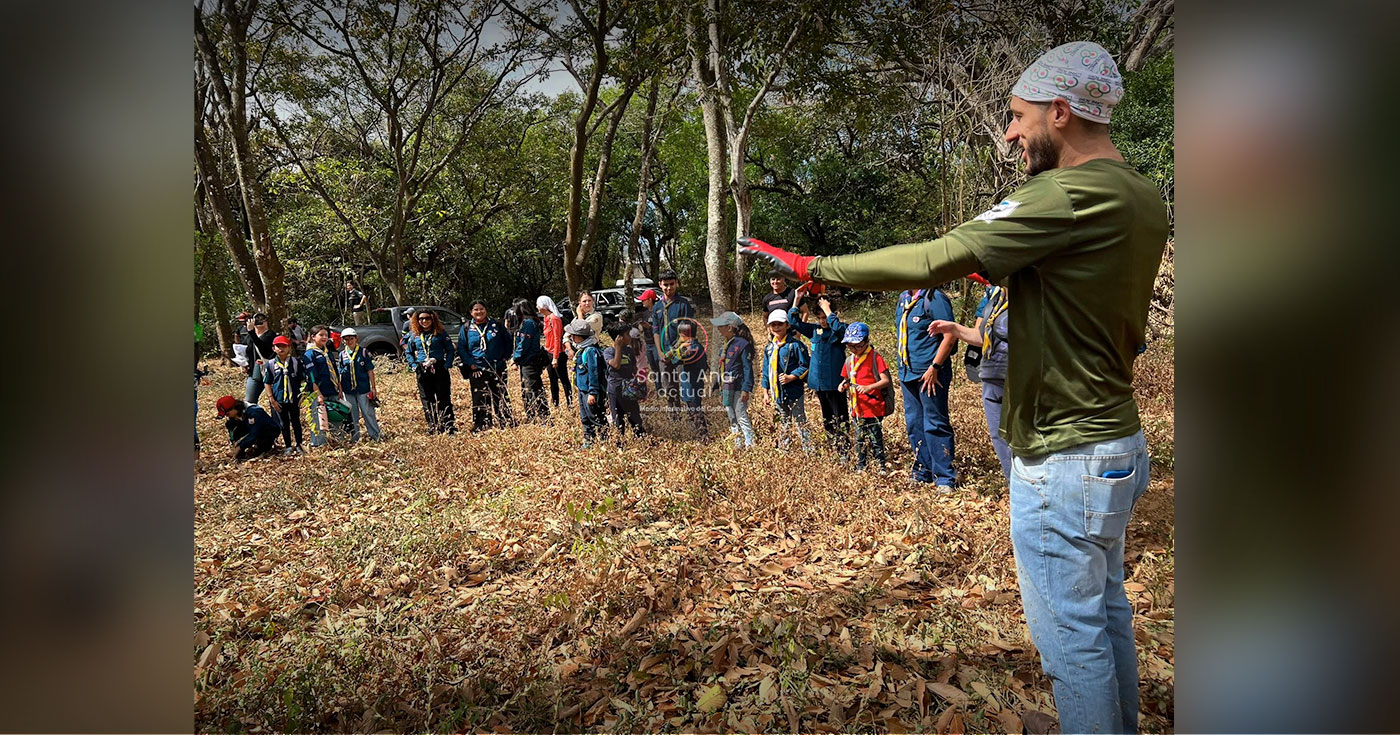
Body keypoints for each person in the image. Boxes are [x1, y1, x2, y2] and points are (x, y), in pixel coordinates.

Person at [739, 41, 1165, 734]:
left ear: (1061, 111)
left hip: (1063, 455)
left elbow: (936, 254)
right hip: (1116, 442)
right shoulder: (1141, 195)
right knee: (1105, 613)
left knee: (1071, 643)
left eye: (1018, 116)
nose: (1010, 133)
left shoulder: (1063, 193)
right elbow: (1088, 294)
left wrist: (818, 265)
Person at [930, 283, 1012, 482]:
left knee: (1023, 441)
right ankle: (1015, 488)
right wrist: (954, 328)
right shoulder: (995, 298)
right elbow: (982, 336)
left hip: (1019, 379)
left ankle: (1033, 493)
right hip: (992, 378)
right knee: (999, 438)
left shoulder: (1033, 295)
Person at [892, 286, 958, 491]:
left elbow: (950, 335)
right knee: (914, 423)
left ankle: (944, 477)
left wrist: (935, 367)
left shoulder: (934, 298)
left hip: (930, 373)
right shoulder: (904, 297)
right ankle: (923, 470)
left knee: (935, 423)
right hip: (908, 372)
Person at [789, 290, 850, 458]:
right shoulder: (815, 330)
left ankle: (844, 451)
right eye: (820, 318)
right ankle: (833, 449)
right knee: (827, 418)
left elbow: (842, 332)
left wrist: (829, 310)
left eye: (825, 317)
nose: (823, 321)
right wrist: (797, 299)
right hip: (819, 383)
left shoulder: (840, 329)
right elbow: (793, 321)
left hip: (836, 383)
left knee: (841, 417)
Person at [838, 322, 893, 471]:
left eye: (858, 345)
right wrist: (843, 385)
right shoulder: (849, 360)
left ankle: (881, 465)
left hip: (873, 406)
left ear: (867, 341)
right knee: (859, 438)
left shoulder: (875, 357)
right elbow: (847, 378)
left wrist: (869, 387)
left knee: (875, 437)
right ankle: (862, 466)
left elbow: (886, 380)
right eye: (851, 346)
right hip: (857, 407)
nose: (855, 349)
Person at [457, 301, 514, 432]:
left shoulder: (497, 325)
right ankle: (482, 424)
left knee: (500, 394)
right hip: (477, 368)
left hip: (497, 366)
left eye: (481, 309)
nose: (479, 312)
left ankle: (505, 421)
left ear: (486, 310)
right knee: (479, 397)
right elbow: (461, 348)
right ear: (471, 312)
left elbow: (508, 341)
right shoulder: (466, 328)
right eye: (475, 309)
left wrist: (505, 357)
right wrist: (471, 364)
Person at [760, 310, 810, 449]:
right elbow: (766, 371)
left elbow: (805, 365)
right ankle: (785, 448)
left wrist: (791, 376)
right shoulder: (769, 348)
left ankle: (808, 449)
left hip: (794, 391)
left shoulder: (795, 345)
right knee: (783, 420)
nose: (776, 327)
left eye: (780, 324)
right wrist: (765, 392)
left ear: (787, 325)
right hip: (778, 392)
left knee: (800, 419)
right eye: (773, 325)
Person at [404, 309, 457, 434]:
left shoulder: (440, 333)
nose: (424, 321)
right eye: (421, 319)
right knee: (427, 399)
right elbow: (408, 352)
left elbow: (450, 349)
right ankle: (433, 426)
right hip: (422, 369)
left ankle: (449, 426)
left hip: (438, 367)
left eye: (427, 318)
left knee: (443, 397)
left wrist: (447, 364)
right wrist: (413, 365)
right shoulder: (414, 335)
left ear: (432, 319)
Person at [711, 311, 756, 449]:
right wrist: (717, 384)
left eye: (720, 326)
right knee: (731, 415)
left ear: (730, 327)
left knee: (740, 414)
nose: (718, 329)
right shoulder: (725, 345)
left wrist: (746, 388)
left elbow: (747, 368)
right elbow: (723, 367)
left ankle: (750, 444)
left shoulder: (742, 345)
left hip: (738, 387)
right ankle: (738, 443)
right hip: (726, 386)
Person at [650, 271, 695, 408]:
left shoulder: (683, 304)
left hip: (681, 353)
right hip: (663, 355)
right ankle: (674, 419)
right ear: (660, 285)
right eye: (665, 285)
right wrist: (660, 352)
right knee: (669, 388)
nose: (669, 288)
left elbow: (686, 333)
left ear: (676, 283)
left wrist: (671, 352)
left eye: (671, 284)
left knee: (687, 388)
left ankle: (695, 419)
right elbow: (656, 331)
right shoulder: (657, 307)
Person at [262, 335, 308, 454]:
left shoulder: (296, 362)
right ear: (274, 349)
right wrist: (272, 399)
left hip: (294, 399)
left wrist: (303, 395)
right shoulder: (271, 364)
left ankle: (299, 444)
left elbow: (303, 380)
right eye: (278, 347)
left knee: (296, 422)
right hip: (279, 399)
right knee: (284, 423)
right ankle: (288, 445)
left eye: (284, 346)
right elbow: (267, 382)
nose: (281, 349)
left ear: (289, 348)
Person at [663, 320, 709, 438]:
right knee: (692, 411)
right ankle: (698, 435)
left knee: (695, 412)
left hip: (691, 386)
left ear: (684, 335)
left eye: (680, 335)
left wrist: (678, 345)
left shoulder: (689, 350)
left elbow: (667, 358)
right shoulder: (699, 347)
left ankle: (702, 437)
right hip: (694, 384)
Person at [566, 318, 607, 448]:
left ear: (580, 337)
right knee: (585, 417)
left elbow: (594, 374)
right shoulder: (581, 349)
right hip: (583, 389)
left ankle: (604, 440)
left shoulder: (590, 351)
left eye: (573, 335)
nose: (571, 337)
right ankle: (588, 440)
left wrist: (593, 393)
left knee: (595, 416)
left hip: (590, 391)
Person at [303, 324, 346, 447]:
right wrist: (318, 394)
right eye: (321, 335)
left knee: (336, 416)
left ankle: (338, 441)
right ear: (313, 337)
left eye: (326, 335)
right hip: (319, 392)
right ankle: (318, 444)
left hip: (332, 389)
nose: (324, 337)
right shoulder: (309, 354)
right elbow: (311, 376)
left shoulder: (327, 352)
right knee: (318, 419)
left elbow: (335, 371)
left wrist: (339, 388)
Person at [337, 328, 383, 442]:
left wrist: (373, 387)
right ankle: (355, 438)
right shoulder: (342, 355)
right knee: (353, 415)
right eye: (346, 339)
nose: (349, 341)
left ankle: (375, 435)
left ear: (356, 338)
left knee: (368, 413)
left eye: (351, 338)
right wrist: (340, 390)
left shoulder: (363, 352)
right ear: (343, 341)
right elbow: (340, 374)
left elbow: (370, 371)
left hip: (363, 389)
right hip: (348, 390)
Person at [603, 322, 645, 439]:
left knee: (635, 416)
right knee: (618, 418)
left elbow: (634, 368)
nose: (630, 337)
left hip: (629, 388)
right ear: (619, 338)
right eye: (627, 334)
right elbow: (616, 365)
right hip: (615, 390)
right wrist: (618, 348)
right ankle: (619, 441)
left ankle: (641, 437)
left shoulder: (629, 350)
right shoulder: (609, 352)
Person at [513, 303, 550, 422]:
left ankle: (543, 416)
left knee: (533, 389)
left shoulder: (528, 323)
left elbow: (524, 344)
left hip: (530, 361)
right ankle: (531, 415)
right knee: (527, 389)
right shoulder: (529, 322)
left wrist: (515, 358)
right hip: (527, 361)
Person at [215, 396, 282, 462]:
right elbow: (233, 432)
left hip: (267, 431)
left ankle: (264, 448)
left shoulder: (254, 412)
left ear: (234, 408)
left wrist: (240, 447)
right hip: (252, 429)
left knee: (259, 447)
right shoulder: (235, 415)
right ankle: (240, 454)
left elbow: (254, 434)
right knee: (234, 427)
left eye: (227, 414)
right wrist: (235, 443)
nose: (227, 416)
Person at [537, 295, 572, 409]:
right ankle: (555, 403)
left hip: (558, 353)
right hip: (549, 352)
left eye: (539, 305)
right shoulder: (546, 318)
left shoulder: (555, 319)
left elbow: (557, 338)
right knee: (552, 380)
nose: (537, 307)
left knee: (563, 379)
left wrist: (555, 357)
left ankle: (570, 402)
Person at [242, 313, 277, 404]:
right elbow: (246, 352)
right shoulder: (249, 337)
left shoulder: (271, 335)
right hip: (254, 372)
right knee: (249, 401)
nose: (260, 321)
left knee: (275, 401)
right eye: (257, 319)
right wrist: (243, 364)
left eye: (262, 319)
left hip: (270, 372)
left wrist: (251, 331)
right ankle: (253, 417)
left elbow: (263, 348)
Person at [633, 289, 661, 374]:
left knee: (659, 366)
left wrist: (650, 327)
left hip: (657, 344)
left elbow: (662, 328)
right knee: (654, 369)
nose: (642, 301)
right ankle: (658, 387)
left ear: (650, 300)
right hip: (648, 344)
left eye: (644, 299)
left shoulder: (659, 312)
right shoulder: (643, 313)